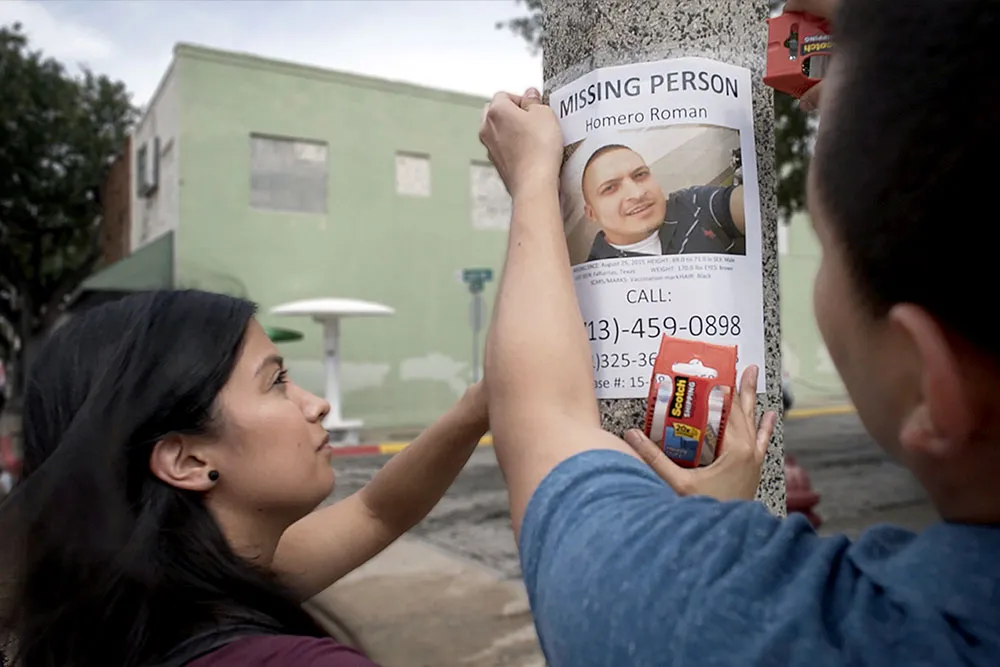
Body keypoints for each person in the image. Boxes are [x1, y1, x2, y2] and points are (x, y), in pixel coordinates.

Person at [477, 0, 1000, 664]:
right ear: (592, 209)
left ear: (931, 383)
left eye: (822, 242)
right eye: (614, 186)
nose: (638, 190)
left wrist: (529, 178)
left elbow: (539, 425)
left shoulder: (724, 622)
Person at [0, 289, 489, 667]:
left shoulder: (114, 609)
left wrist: (475, 410)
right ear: (187, 461)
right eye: (276, 382)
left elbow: (378, 512)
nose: (317, 405)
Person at [581, 144, 746, 262]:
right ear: (591, 213)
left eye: (640, 175)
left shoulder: (691, 205)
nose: (637, 194)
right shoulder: (593, 277)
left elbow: (749, 208)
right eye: (610, 188)